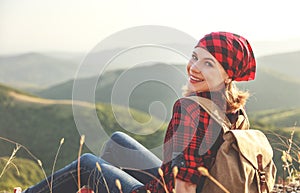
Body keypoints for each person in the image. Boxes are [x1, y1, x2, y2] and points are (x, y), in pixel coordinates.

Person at [22, 31, 256, 193]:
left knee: (85, 163)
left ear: (228, 74)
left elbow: (184, 186)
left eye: (208, 64)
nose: (194, 68)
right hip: (203, 186)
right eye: (195, 57)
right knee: (117, 142)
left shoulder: (191, 109)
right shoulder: (235, 108)